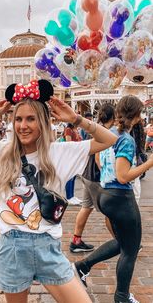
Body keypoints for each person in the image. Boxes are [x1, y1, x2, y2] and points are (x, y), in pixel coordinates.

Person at [0, 79, 117, 303]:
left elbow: (109, 139)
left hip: (48, 246)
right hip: (12, 247)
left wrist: (75, 119)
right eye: (18, 119)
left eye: (30, 119)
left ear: (43, 123)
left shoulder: (59, 153)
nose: (22, 126)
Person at [74, 95, 153, 303]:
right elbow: (124, 176)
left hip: (105, 193)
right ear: (136, 116)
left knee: (122, 243)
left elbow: (99, 158)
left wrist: (107, 178)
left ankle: (82, 266)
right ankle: (122, 297)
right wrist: (150, 163)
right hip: (121, 197)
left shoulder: (108, 133)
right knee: (131, 249)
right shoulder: (125, 139)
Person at [70, 103, 116, 253]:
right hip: (96, 177)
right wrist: (106, 176)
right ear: (113, 117)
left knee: (86, 207)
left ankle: (76, 241)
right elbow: (98, 158)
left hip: (86, 174)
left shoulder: (95, 128)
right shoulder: (103, 131)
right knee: (110, 211)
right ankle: (122, 242)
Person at [64, 123, 82, 206]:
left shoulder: (75, 129)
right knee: (70, 177)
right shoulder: (68, 130)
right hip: (70, 156)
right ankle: (69, 197)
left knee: (74, 176)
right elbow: (69, 143)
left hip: (76, 155)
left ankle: (72, 196)